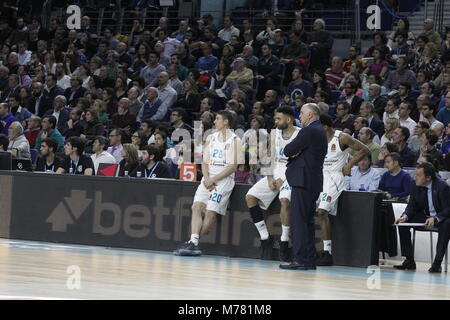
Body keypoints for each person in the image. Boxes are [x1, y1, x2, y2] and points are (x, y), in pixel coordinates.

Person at [173, 110, 242, 256]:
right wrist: (206, 178)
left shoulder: (235, 140)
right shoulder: (211, 137)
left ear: (226, 122)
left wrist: (213, 180)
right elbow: (204, 161)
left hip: (223, 181)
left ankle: (193, 243)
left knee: (210, 212)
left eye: (217, 119)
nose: (214, 122)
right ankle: (193, 242)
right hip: (207, 178)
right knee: (196, 206)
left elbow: (233, 166)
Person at [245, 107, 301, 261]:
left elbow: (300, 160)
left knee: (285, 200)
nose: (275, 122)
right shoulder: (274, 133)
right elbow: (269, 156)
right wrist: (269, 177)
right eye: (275, 119)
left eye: (279, 119)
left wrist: (286, 178)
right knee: (250, 197)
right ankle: (265, 237)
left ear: (288, 120)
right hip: (275, 171)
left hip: (292, 173)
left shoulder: (299, 134)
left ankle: (284, 242)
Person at [315, 114, 370, 266]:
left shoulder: (342, 137)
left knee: (322, 211)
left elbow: (364, 149)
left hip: (334, 178)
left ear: (325, 127)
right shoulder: (317, 139)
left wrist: (349, 164)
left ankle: (327, 253)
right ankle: (314, 250)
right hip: (320, 177)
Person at [279, 103, 327, 270]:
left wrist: (295, 151)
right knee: (307, 222)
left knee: (299, 221)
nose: (299, 116)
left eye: (302, 113)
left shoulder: (309, 130)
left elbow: (288, 150)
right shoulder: (319, 130)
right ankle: (309, 259)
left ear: (311, 115)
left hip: (303, 180)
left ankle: (300, 259)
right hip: (311, 180)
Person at [394, 162, 450, 273]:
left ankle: (437, 263)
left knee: (447, 223)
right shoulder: (415, 184)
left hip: (441, 218)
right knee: (403, 224)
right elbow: (412, 205)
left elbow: (448, 209)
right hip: (426, 216)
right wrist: (405, 216)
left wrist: (436, 218)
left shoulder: (442, 186)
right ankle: (409, 260)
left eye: (418, 175)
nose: (415, 178)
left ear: (428, 177)